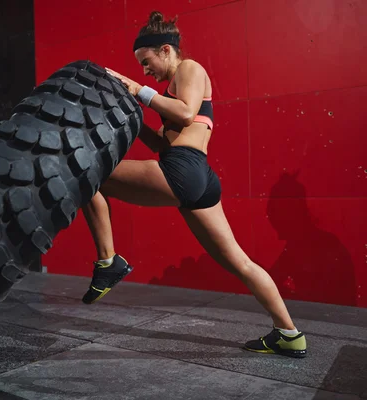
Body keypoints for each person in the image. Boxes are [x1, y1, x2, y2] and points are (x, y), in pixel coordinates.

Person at [80, 11, 307, 358]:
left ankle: (109, 262)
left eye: (147, 61)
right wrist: (135, 112)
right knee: (240, 263)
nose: (146, 72)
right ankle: (289, 334)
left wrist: (137, 90)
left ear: (167, 50)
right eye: (141, 68)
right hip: (198, 179)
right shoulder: (173, 87)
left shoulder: (189, 69)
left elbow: (186, 113)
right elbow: (163, 142)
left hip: (183, 171)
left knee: (86, 173)